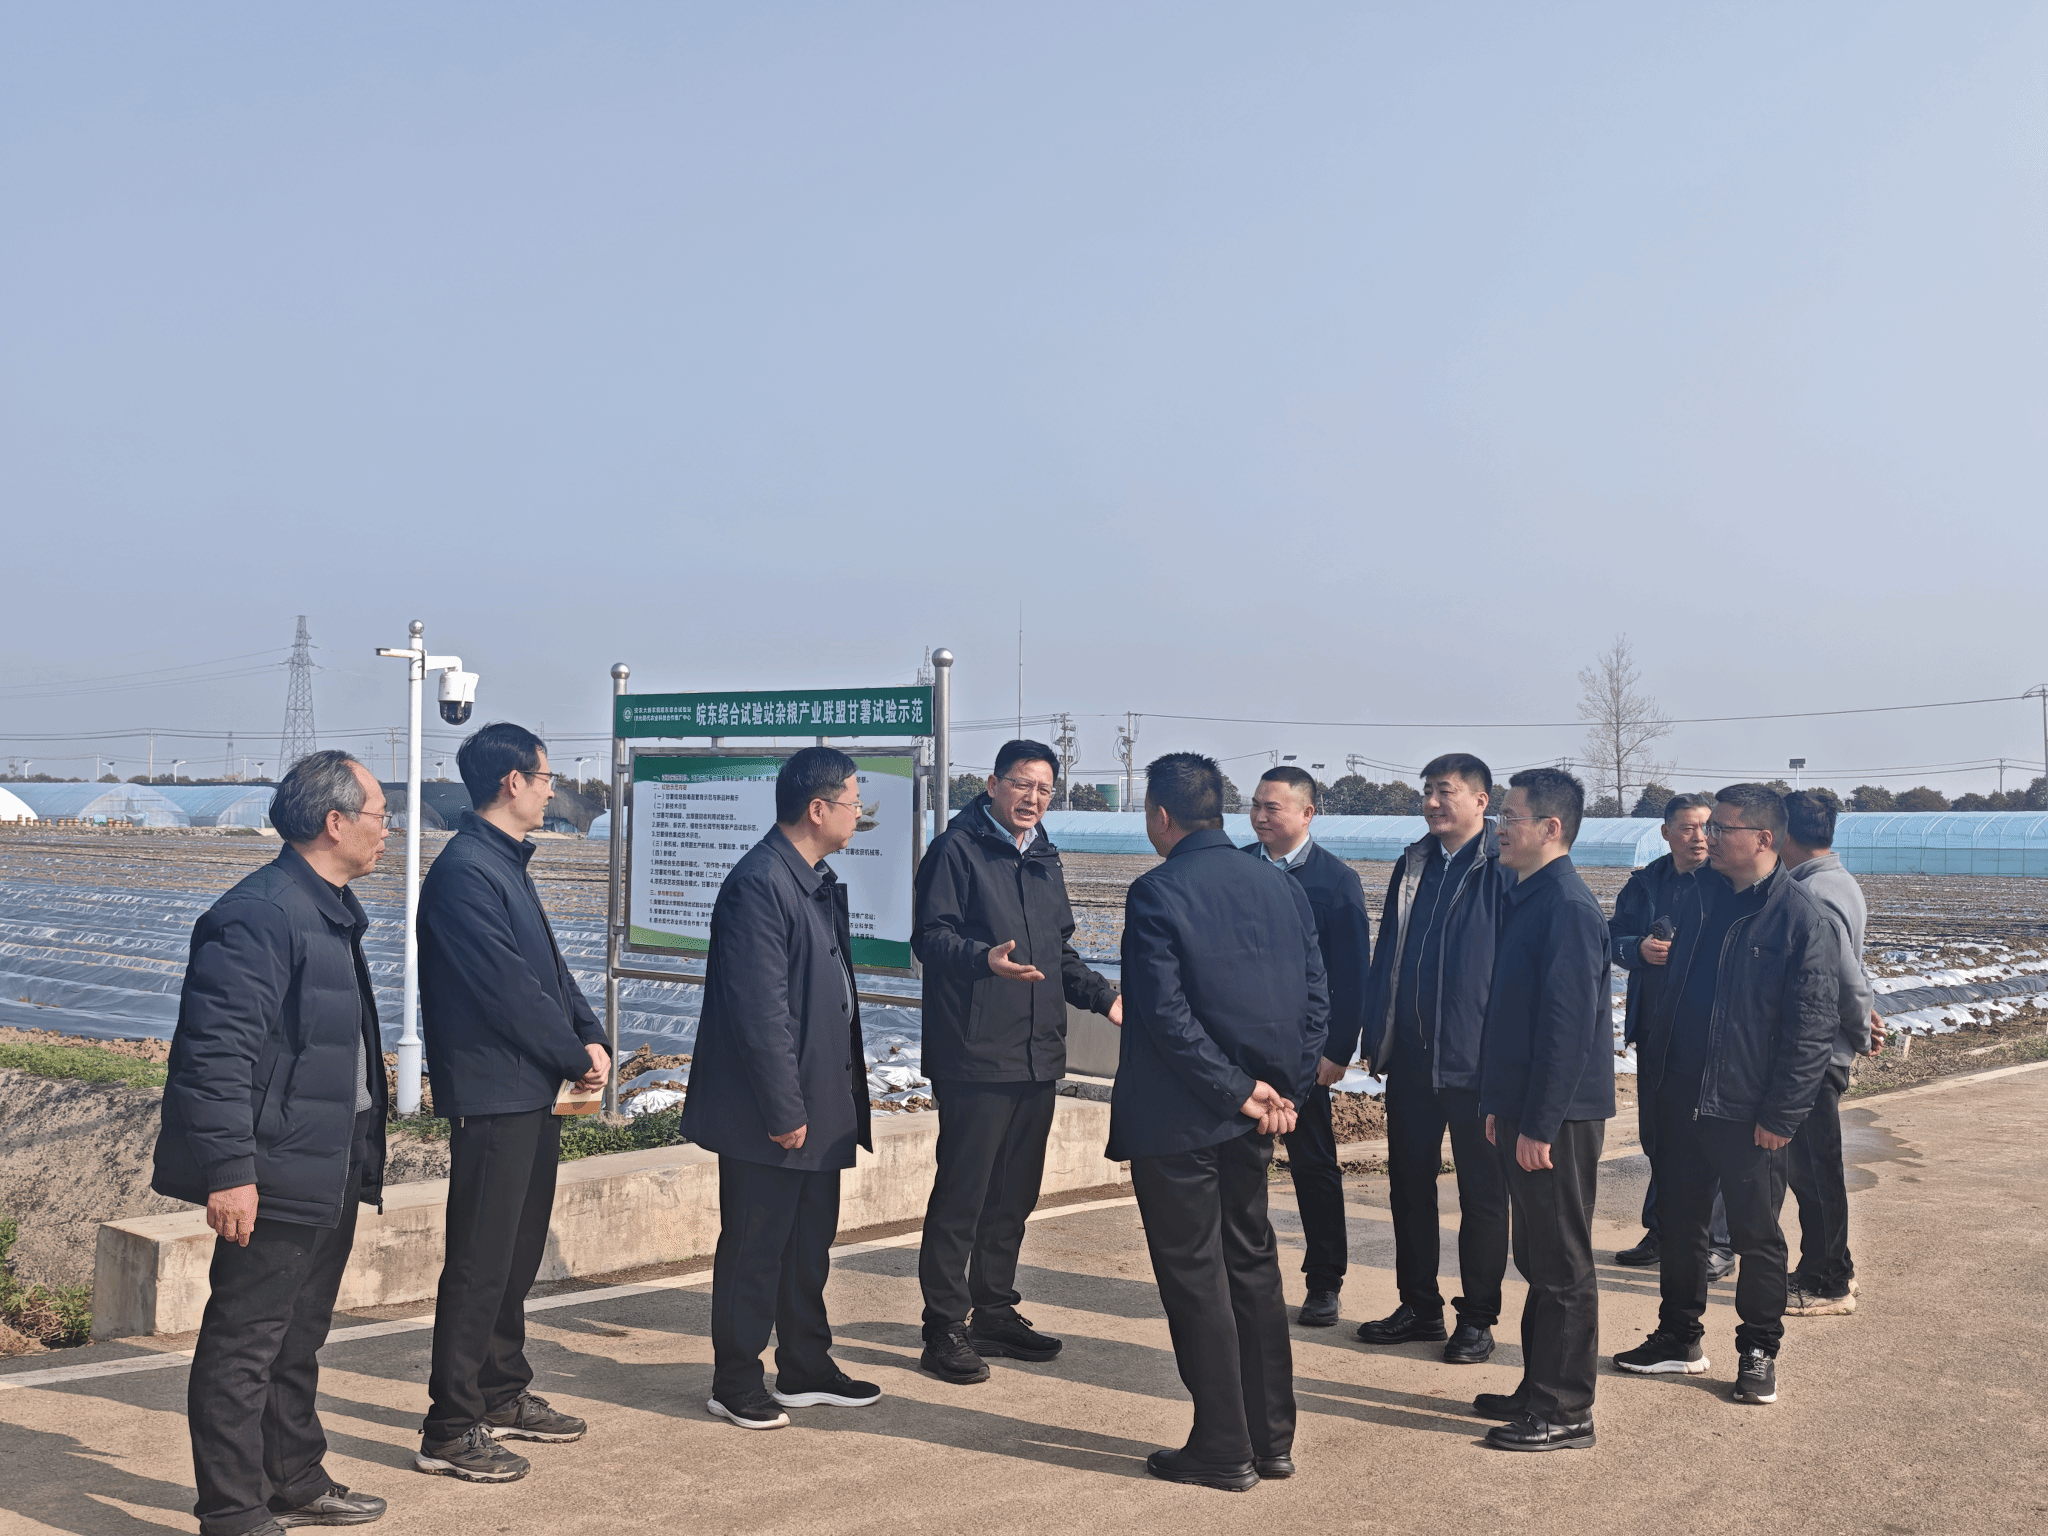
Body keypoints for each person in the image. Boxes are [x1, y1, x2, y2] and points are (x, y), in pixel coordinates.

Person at [153, 750, 392, 1535]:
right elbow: (214, 1056)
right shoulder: (259, 914)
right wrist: (231, 1171)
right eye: (380, 815)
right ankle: (232, 1509)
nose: (388, 831)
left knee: (300, 1334)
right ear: (335, 822)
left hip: (328, 1155)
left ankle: (293, 1476)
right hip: (275, 1166)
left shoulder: (326, 908)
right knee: (245, 1344)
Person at [1111, 753, 1328, 1491]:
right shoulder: (1279, 884)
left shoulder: (1157, 892)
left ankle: (1222, 1446)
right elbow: (1314, 997)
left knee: (1196, 1279)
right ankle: (1271, 1439)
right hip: (1258, 1116)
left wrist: (1237, 1091)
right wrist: (1282, 1091)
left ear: (1160, 816)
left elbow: (1164, 1016)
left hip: (1183, 1120)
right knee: (1252, 1266)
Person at [415, 723, 612, 1481]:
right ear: (513, 782)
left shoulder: (503, 862)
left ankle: (500, 1390)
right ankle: (450, 1426)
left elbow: (550, 975)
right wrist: (573, 1055)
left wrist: (589, 1035)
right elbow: (506, 990)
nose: (553, 791)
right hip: (495, 1091)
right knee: (480, 1260)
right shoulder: (466, 872)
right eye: (546, 778)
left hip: (531, 1090)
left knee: (516, 1253)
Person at [1615, 784, 1838, 1408]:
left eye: (1722, 829)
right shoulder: (1695, 897)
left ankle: (1758, 1350)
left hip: (1747, 1109)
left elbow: (1811, 1027)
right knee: (1681, 1226)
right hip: (1678, 1095)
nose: (1708, 838)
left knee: (1755, 1236)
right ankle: (1678, 1338)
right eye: (1708, 828)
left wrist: (1783, 1113)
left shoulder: (1799, 918)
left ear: (1764, 839)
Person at [680, 747, 880, 1430]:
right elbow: (759, 1012)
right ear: (818, 809)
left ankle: (805, 1365)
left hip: (819, 1104)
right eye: (852, 801)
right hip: (774, 1112)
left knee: (807, 1247)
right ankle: (736, 1379)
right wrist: (784, 1107)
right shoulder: (760, 884)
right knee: (755, 1249)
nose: (858, 813)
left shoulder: (811, 880)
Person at [912, 739, 1122, 1383]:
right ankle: (943, 1327)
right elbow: (929, 938)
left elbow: (1058, 953)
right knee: (964, 1195)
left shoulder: (1044, 856)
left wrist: (1106, 998)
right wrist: (984, 960)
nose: (1033, 798)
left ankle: (994, 1311)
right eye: (1022, 784)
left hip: (1037, 1053)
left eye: (1044, 789)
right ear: (993, 784)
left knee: (1014, 1194)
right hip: (976, 1051)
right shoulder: (957, 849)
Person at [1355, 754, 1513, 1365]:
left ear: (1481, 801)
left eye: (1445, 792)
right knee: (1409, 1186)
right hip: (1414, 1057)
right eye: (1427, 792)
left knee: (1482, 1195)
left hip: (1477, 1065)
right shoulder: (1414, 862)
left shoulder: (1503, 865)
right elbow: (1389, 953)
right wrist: (1377, 1032)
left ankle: (1477, 1319)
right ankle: (1419, 1306)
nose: (1431, 803)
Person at [1474, 769, 1614, 1452]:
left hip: (1556, 1118)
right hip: (1526, 1110)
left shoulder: (1567, 907)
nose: (1501, 828)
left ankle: (1567, 1409)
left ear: (1550, 828)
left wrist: (1539, 1123)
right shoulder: (1530, 895)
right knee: (1536, 1254)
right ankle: (1538, 1388)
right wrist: (1502, 1105)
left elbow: (1566, 1031)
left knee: (1561, 1262)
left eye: (1511, 817)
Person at [1243, 765, 1372, 1328]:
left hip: (1304, 1054)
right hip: (1242, 1051)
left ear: (1306, 813)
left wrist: (1336, 1052)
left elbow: (1353, 975)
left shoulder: (1335, 881)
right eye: (1255, 805)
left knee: (1313, 1166)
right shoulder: (1238, 868)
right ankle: (1241, 1275)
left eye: (1272, 807)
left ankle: (1324, 1282)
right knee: (1239, 1166)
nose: (1260, 816)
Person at [1609, 794, 1734, 1277]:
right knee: (1658, 1134)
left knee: (1709, 1136)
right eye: (1687, 828)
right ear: (1666, 833)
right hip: (1655, 1027)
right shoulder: (1645, 884)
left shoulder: (1726, 883)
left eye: (1707, 827)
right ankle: (1662, 1231)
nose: (1699, 837)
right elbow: (1611, 937)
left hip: (1709, 1032)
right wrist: (1638, 948)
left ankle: (1717, 1243)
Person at [1779, 790, 1877, 1317]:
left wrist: (1859, 1032)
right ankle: (1832, 1264)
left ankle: (1829, 1282)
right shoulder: (1838, 881)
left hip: (1816, 1054)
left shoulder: (1813, 891)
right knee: (1814, 1170)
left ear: (1783, 834)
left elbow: (1845, 978)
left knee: (1815, 1173)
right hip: (1826, 1047)